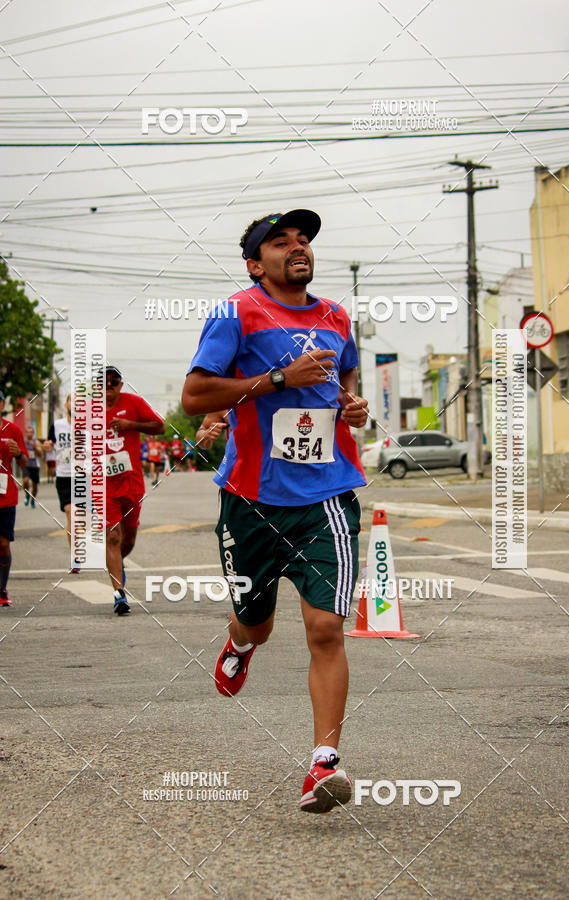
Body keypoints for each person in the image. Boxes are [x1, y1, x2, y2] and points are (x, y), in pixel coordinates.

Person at [182, 209, 369, 814]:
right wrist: (277, 378)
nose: (298, 248)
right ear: (254, 262)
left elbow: (341, 386)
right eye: (281, 241)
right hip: (250, 500)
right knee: (257, 620)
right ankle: (240, 640)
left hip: (326, 497)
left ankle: (324, 764)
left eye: (304, 239)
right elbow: (195, 395)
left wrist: (353, 405)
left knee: (325, 627)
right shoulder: (235, 312)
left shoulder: (337, 317)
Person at [102, 366, 163, 615]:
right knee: (112, 537)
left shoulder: (134, 402)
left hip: (132, 482)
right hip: (103, 485)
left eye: (113, 382)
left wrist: (130, 424)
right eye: (103, 382)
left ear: (121, 384)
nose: (109, 386)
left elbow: (160, 427)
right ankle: (119, 593)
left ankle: (117, 563)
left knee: (128, 539)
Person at [44, 394, 79, 574]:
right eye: (71, 400)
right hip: (64, 475)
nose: (74, 403)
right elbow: (49, 443)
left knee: (80, 519)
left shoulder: (88, 425)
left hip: (83, 476)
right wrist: (47, 445)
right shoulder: (57, 425)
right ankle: (75, 556)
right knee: (70, 513)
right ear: (66, 404)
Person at [0, 391, 29, 606]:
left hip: (5, 496)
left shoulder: (13, 430)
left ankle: (2, 590)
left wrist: (18, 453)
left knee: (3, 543)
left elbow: (24, 463)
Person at [22, 425, 42, 508]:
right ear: (25, 433)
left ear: (33, 433)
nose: (29, 434)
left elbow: (40, 454)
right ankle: (27, 494)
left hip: (35, 465)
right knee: (25, 481)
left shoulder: (36, 442)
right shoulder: (23, 442)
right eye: (27, 432)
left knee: (35, 485)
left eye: (31, 432)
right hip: (26, 465)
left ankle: (33, 499)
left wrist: (34, 446)